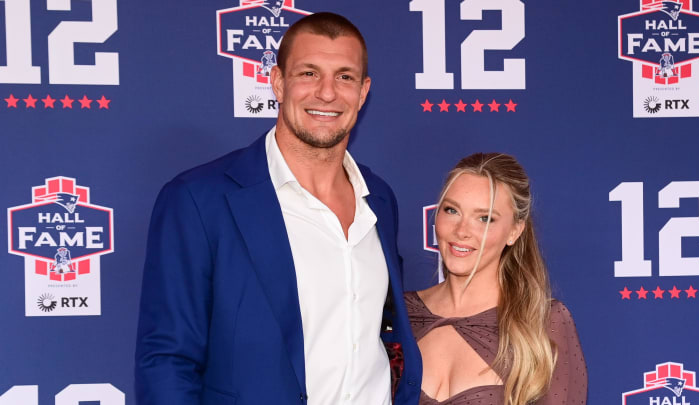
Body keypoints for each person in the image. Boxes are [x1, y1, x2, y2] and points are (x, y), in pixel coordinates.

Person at [135, 12, 421, 405]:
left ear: (363, 91)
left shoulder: (380, 199)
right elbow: (167, 361)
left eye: (345, 76)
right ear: (278, 82)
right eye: (308, 73)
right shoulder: (199, 199)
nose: (327, 92)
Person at [405, 153, 587, 405]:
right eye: (452, 210)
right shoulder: (399, 316)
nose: (461, 232)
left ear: (515, 231)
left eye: (485, 218)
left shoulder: (543, 322)